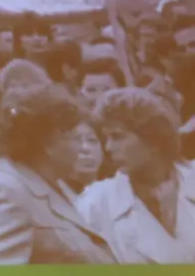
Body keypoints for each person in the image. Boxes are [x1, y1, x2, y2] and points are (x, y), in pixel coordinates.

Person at [0, 83, 113, 264]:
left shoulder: (52, 184)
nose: (81, 147)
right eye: (75, 137)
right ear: (48, 143)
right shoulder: (7, 191)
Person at [79, 87, 195, 263]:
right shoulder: (95, 204)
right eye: (106, 138)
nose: (108, 147)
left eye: (117, 136)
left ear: (153, 140)